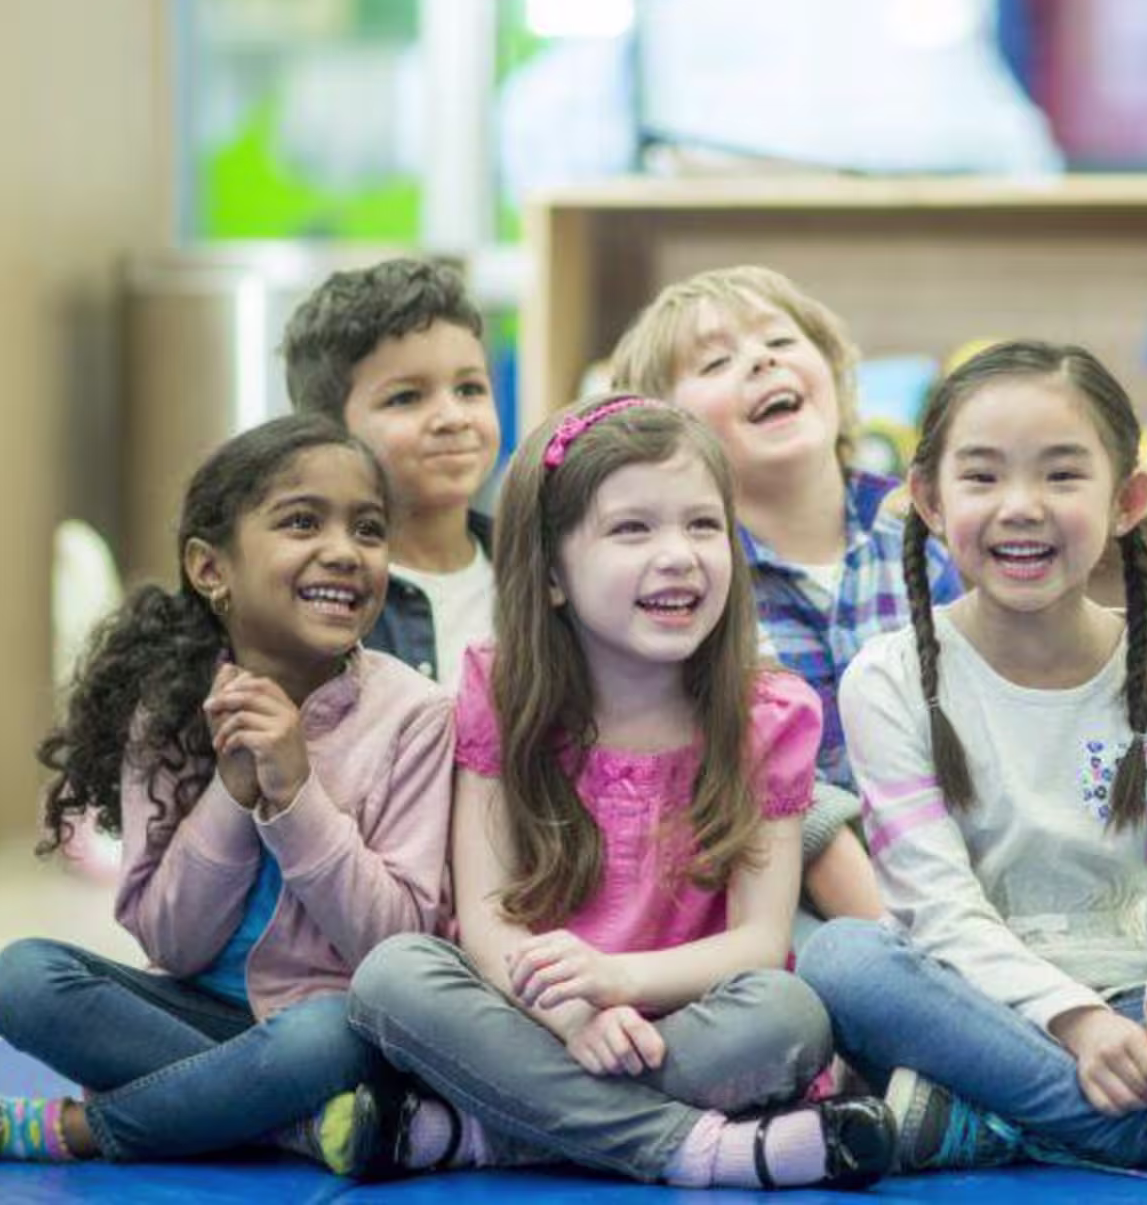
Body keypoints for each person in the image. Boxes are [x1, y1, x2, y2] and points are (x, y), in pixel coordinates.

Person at [346, 396, 896, 1190]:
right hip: (536, 1015)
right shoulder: (499, 687)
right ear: (553, 574)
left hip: (688, 1025)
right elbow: (490, 920)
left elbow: (756, 942)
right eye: (632, 529)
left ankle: (500, 1132)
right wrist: (573, 1015)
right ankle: (696, 1149)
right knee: (392, 977)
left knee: (790, 1016)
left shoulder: (770, 715)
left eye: (703, 526)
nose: (678, 555)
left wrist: (619, 984)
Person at [798, 341, 1147, 1178]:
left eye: (1063, 476)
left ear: (1128, 499)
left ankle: (1000, 1121)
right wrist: (1075, 1022)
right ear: (927, 499)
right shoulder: (886, 680)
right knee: (843, 962)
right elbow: (938, 912)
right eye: (983, 477)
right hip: (977, 1011)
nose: (1021, 507)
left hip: (1140, 1004)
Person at [0, 415, 454, 1172]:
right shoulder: (167, 708)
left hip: (335, 1028)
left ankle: (55, 1131)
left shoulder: (416, 716)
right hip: (202, 1021)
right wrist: (232, 790)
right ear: (209, 568)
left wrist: (294, 798)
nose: (344, 552)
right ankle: (288, 1124)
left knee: (326, 1035)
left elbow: (396, 949)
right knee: (22, 979)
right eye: (300, 521)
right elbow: (173, 944)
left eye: (368, 530)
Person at [609, 265, 964, 924]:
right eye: (717, 361)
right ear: (663, 433)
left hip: (950, 868)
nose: (761, 358)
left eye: (779, 339)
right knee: (846, 968)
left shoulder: (928, 539)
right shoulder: (690, 586)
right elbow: (772, 794)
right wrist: (896, 936)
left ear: (833, 369)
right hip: (781, 889)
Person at [283, 258, 502, 688]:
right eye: (407, 397)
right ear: (329, 431)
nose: (452, 417)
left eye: (469, 389)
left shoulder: (539, 574)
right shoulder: (317, 596)